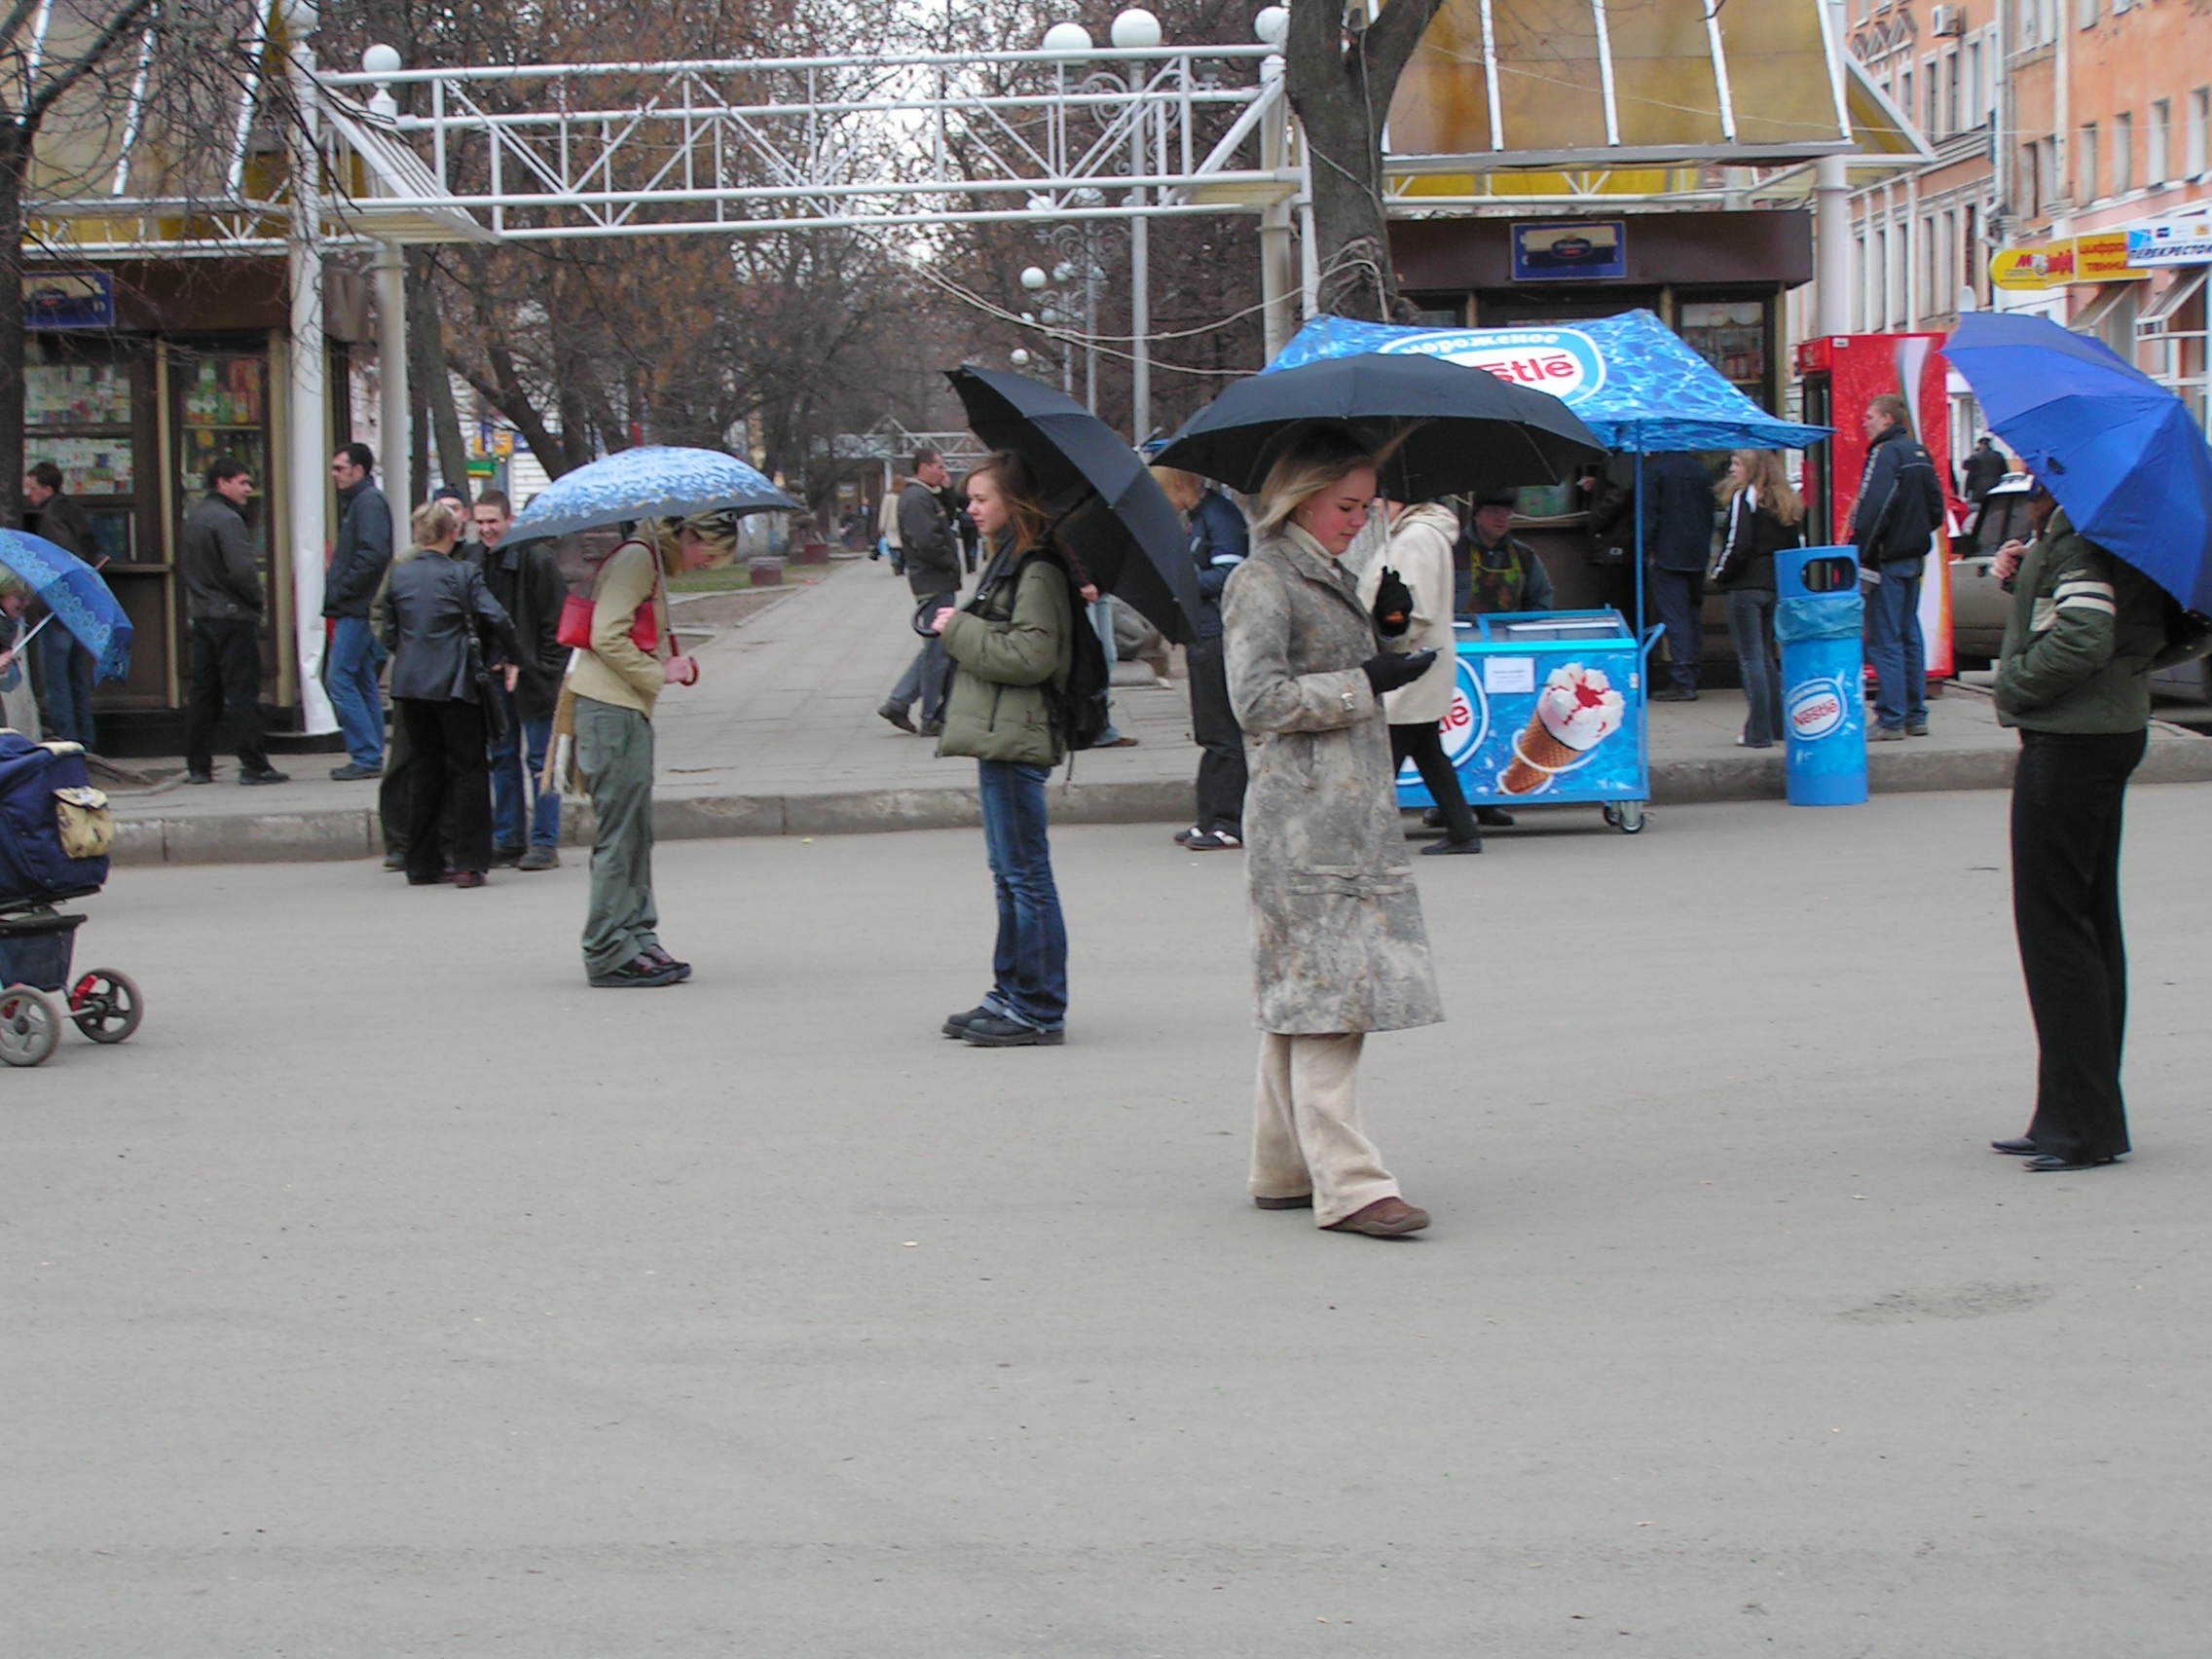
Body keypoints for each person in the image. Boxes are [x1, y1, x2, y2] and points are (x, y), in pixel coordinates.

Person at [1222, 426, 1442, 1238]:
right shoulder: (1261, 578)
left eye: (1367, 503)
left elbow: (1332, 672)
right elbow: (1258, 702)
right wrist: (1365, 681)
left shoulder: (1322, 574)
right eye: (1347, 504)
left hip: (1339, 814)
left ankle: (1279, 1167)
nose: (1360, 518)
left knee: (1302, 993)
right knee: (1333, 999)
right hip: (1303, 822)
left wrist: (1383, 630)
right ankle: (1350, 1185)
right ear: (1301, 497)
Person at [1987, 486, 2164, 1172]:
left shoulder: (2083, 534)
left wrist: (2014, 684)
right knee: (2088, 922)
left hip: (2071, 740)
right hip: (2109, 728)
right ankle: (2073, 1111)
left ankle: (2080, 1124)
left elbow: (2085, 634)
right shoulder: (2120, 525)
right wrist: (2024, 573)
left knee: (2056, 928)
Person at [932, 450, 1077, 1048]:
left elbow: (1030, 657)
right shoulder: (1010, 561)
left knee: (1025, 876)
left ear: (1014, 503)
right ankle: (1011, 993)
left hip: (1019, 733)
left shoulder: (1036, 570)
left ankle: (1039, 1007)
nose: (970, 509)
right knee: (1009, 874)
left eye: (981, 499)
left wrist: (957, 629)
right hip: (1001, 732)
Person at [564, 513, 721, 986]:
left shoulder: (645, 560)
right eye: (706, 553)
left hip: (622, 708)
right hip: (610, 709)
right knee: (621, 833)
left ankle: (635, 934)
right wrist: (660, 673)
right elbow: (605, 634)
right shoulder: (638, 559)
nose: (704, 564)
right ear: (688, 534)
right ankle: (610, 946)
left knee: (634, 832)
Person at [381, 500, 518, 889]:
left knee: (424, 769)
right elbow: (498, 618)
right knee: (470, 769)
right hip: (456, 684)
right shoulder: (463, 573)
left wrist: (407, 654)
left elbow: (389, 631)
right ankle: (470, 861)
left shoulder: (401, 575)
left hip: (410, 684)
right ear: (453, 533)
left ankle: (421, 862)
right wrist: (510, 656)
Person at [1364, 497, 1483, 854]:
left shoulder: (1415, 538)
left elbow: (1414, 609)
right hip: (1423, 663)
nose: (1371, 504)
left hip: (1410, 664)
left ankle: (1365, 836)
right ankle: (1462, 830)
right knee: (1428, 753)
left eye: (1378, 496)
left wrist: (1387, 638)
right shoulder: (1420, 534)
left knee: (1383, 760)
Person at [470, 491, 568, 870]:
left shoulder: (536, 559)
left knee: (540, 760)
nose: (486, 529)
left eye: (493, 521)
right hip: (494, 677)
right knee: (502, 757)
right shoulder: (475, 559)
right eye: (479, 522)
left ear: (510, 520)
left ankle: (544, 841)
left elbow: (555, 625)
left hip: (533, 677)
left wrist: (535, 667)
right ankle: (508, 837)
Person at [1155, 466, 1249, 850]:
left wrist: (1183, 583)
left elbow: (1230, 575)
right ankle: (1210, 816)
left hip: (1218, 634)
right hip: (1201, 632)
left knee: (1224, 734)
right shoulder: (1197, 518)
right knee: (1210, 732)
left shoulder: (1219, 516)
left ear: (1179, 486)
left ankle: (1230, 821)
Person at [180, 459, 286, 786]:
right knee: (242, 690)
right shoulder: (228, 520)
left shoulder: (195, 518)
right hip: (233, 616)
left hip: (204, 614)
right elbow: (242, 570)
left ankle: (198, 764)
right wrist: (257, 600)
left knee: (203, 692)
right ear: (222, 483)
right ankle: (253, 763)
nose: (247, 490)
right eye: (242, 482)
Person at [1850, 394, 1945, 740]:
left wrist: (1862, 552)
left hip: (1886, 558)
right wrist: (1916, 533)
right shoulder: (1918, 452)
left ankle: (1891, 717)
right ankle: (1915, 714)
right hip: (1913, 556)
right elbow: (1937, 506)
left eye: (1870, 416)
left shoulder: (1884, 453)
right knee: (1909, 635)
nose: (1865, 422)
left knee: (1884, 637)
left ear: (1888, 418)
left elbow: (1873, 507)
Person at [1711, 450, 1807, 751]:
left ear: (1751, 468)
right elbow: (1791, 547)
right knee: (1765, 656)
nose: (1732, 468)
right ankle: (1777, 726)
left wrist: (1719, 574)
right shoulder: (1784, 501)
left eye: (1737, 463)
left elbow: (1737, 545)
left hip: (1745, 586)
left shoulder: (1745, 498)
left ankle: (1758, 731)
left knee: (1750, 658)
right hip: (1771, 586)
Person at [322, 442, 395, 779]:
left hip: (358, 607)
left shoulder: (367, 504)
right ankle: (371, 752)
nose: (335, 474)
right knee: (362, 678)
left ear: (359, 470)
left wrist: (345, 589)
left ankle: (366, 754)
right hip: (360, 605)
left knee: (339, 678)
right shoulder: (364, 502)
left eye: (340, 468)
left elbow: (373, 555)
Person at [877, 449, 961, 736]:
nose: (942, 471)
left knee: (936, 645)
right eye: (938, 466)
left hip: (937, 580)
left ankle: (899, 702)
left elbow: (949, 518)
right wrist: (949, 562)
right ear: (923, 467)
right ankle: (931, 715)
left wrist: (947, 490)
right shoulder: (916, 498)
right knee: (939, 650)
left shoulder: (927, 495)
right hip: (933, 580)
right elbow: (926, 540)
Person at [22, 461, 99, 748]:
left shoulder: (52, 518)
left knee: (57, 682)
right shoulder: (73, 512)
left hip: (57, 609)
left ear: (47, 488)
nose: (28, 494)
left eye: (32, 488)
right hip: (80, 607)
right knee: (78, 678)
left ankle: (67, 741)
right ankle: (86, 742)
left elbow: (59, 559)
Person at [1636, 452, 1717, 702]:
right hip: (1696, 551)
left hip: (1666, 553)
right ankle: (1691, 670)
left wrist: (1645, 550)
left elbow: (1648, 516)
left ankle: (1682, 677)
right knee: (1691, 614)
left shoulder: (1654, 471)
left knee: (1675, 616)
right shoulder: (1701, 470)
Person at [1456, 489, 1555, 617]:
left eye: (1507, 513)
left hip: (1512, 633)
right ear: (1476, 515)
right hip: (1463, 634)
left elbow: (1542, 598)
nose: (1501, 519)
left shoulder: (1524, 555)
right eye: (1494, 511)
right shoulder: (1453, 552)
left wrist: (1528, 629)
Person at [1961, 434, 2007, 506]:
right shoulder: (1999, 456)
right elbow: (2005, 472)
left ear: (1980, 445)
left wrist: (1966, 493)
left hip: (1979, 490)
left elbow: (1966, 468)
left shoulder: (1975, 456)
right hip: (1995, 488)